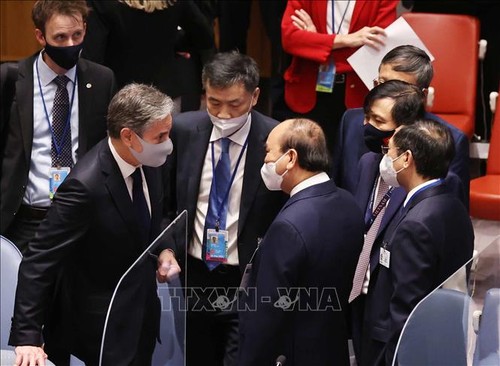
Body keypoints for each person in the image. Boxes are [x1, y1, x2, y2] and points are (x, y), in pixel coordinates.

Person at [8, 83, 181, 366]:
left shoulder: (150, 161)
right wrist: (27, 336)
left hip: (142, 315)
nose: (167, 142)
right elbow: (40, 259)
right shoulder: (84, 186)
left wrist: (165, 249)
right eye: (160, 135)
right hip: (99, 331)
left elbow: (153, 217)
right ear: (128, 137)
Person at [166, 51, 286, 366]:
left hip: (245, 278)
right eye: (214, 103)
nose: (223, 114)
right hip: (194, 272)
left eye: (235, 104)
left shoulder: (276, 138)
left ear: (255, 96)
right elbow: (166, 201)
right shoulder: (183, 129)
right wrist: (166, 248)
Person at [346, 80, 466, 361]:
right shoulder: (450, 205)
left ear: (407, 158)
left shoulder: (415, 223)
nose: (385, 156)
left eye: (391, 152)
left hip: (397, 341)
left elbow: (407, 305)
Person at [238, 118, 364, 366]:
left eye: (269, 151)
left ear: (291, 157)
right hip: (331, 348)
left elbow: (268, 312)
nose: (265, 160)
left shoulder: (289, 225)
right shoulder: (348, 202)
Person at [0, 0, 116, 253]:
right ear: (41, 36)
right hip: (25, 221)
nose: (71, 45)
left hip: (81, 220)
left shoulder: (101, 79)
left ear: (85, 28)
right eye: (60, 37)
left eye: (77, 34)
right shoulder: (11, 79)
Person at [332, 45, 470, 204]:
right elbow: (336, 190)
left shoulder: (449, 141)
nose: (384, 93)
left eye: (397, 87)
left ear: (422, 95)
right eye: (381, 83)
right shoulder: (352, 121)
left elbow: (451, 210)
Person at [280, 0, 398, 151]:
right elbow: (290, 39)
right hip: (309, 90)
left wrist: (315, 41)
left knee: (350, 164)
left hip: (357, 94)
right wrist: (346, 40)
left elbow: (377, 49)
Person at [83, 0, 214, 113]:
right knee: (167, 141)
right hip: (166, 95)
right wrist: (175, 44)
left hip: (121, 98)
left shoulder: (101, 3)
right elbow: (204, 37)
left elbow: (93, 56)